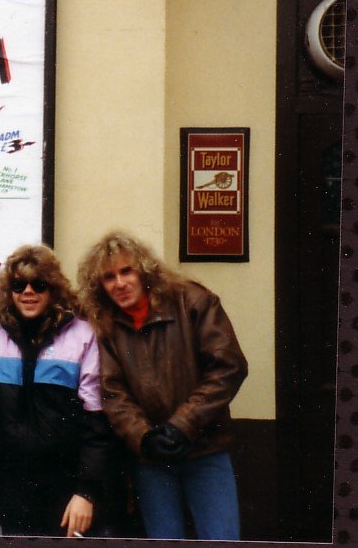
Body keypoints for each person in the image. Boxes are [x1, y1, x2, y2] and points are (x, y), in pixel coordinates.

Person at [77, 231, 248, 540]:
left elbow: (228, 366)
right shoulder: (105, 324)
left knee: (221, 537)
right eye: (109, 277)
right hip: (150, 457)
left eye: (126, 271)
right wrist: (143, 437)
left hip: (205, 450)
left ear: (144, 270)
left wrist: (182, 425)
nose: (120, 283)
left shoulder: (192, 301)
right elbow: (112, 392)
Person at [0, 244, 115, 537]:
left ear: (53, 288)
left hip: (66, 488)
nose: (28, 292)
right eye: (19, 285)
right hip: (11, 486)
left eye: (38, 284)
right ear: (9, 291)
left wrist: (86, 491)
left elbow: (97, 423)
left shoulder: (82, 335)